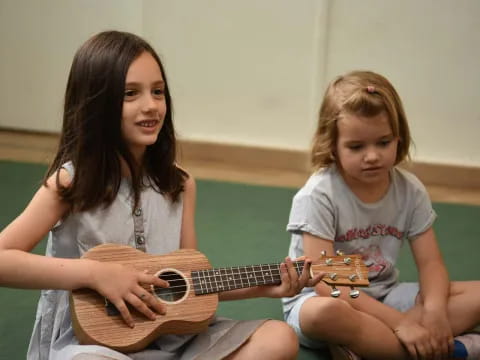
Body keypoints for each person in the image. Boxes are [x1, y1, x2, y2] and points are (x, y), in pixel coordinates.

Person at [0, 30, 319, 360]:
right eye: (130, 94)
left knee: (278, 338)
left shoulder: (179, 185)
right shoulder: (69, 183)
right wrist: (95, 274)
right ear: (96, 103)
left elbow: (187, 286)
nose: (151, 106)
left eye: (158, 92)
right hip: (92, 345)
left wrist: (266, 287)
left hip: (171, 340)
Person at [281, 70, 480, 360]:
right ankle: (450, 351)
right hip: (326, 300)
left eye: (383, 142)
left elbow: (431, 264)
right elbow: (325, 283)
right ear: (332, 146)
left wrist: (435, 312)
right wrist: (401, 323)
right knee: (324, 314)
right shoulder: (318, 195)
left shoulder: (410, 190)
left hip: (386, 293)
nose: (372, 156)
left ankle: (375, 348)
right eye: (356, 146)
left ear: (399, 139)